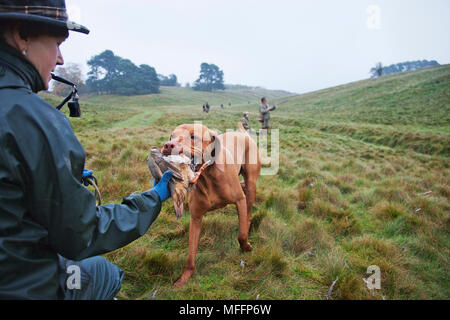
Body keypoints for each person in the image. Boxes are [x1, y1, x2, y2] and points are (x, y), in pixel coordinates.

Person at [0, 0, 173, 300]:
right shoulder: (36, 121)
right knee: (103, 272)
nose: (60, 59)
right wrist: (153, 197)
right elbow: (81, 235)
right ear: (21, 35)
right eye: (57, 42)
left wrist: (57, 180)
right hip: (26, 284)